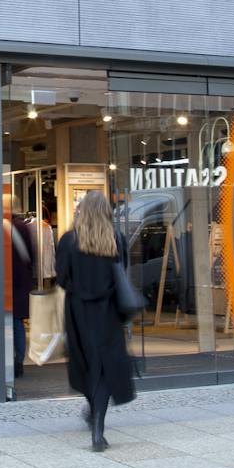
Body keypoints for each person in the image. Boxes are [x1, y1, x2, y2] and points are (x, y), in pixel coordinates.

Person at [56, 191, 135, 451]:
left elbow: (62, 278)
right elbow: (121, 274)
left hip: (78, 312)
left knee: (86, 365)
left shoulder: (69, 240)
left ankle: (93, 414)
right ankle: (97, 428)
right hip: (108, 312)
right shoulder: (115, 239)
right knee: (105, 369)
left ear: (82, 210)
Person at [6, 198, 34, 379]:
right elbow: (32, 255)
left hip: (9, 282)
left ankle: (10, 361)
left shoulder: (5, 227)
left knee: (11, 323)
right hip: (22, 281)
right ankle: (19, 361)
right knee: (17, 323)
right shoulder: (25, 227)